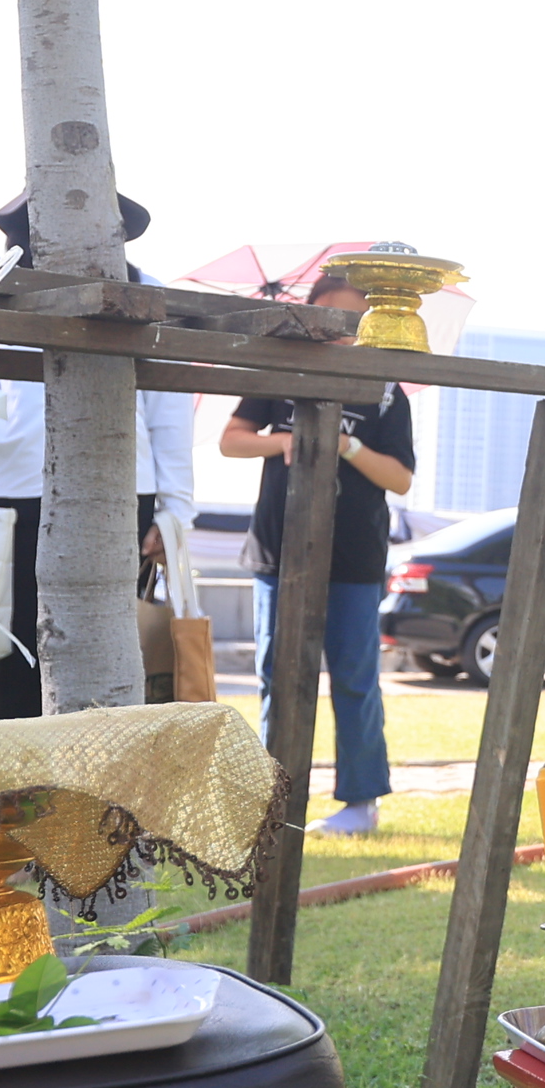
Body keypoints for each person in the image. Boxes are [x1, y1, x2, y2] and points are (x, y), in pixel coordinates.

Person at [0, 192, 198, 722]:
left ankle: (37, 774)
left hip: (113, 495)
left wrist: (176, 510)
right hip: (2, 491)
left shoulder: (144, 293)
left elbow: (170, 411)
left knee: (63, 661)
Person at [225, 265, 419, 836]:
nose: (341, 332)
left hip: (354, 559)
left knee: (355, 679)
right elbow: (231, 441)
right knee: (277, 676)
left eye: (354, 321)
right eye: (331, 319)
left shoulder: (386, 389)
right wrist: (285, 440)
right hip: (277, 552)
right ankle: (275, 800)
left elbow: (401, 479)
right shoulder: (280, 372)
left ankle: (361, 803)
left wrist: (346, 445)